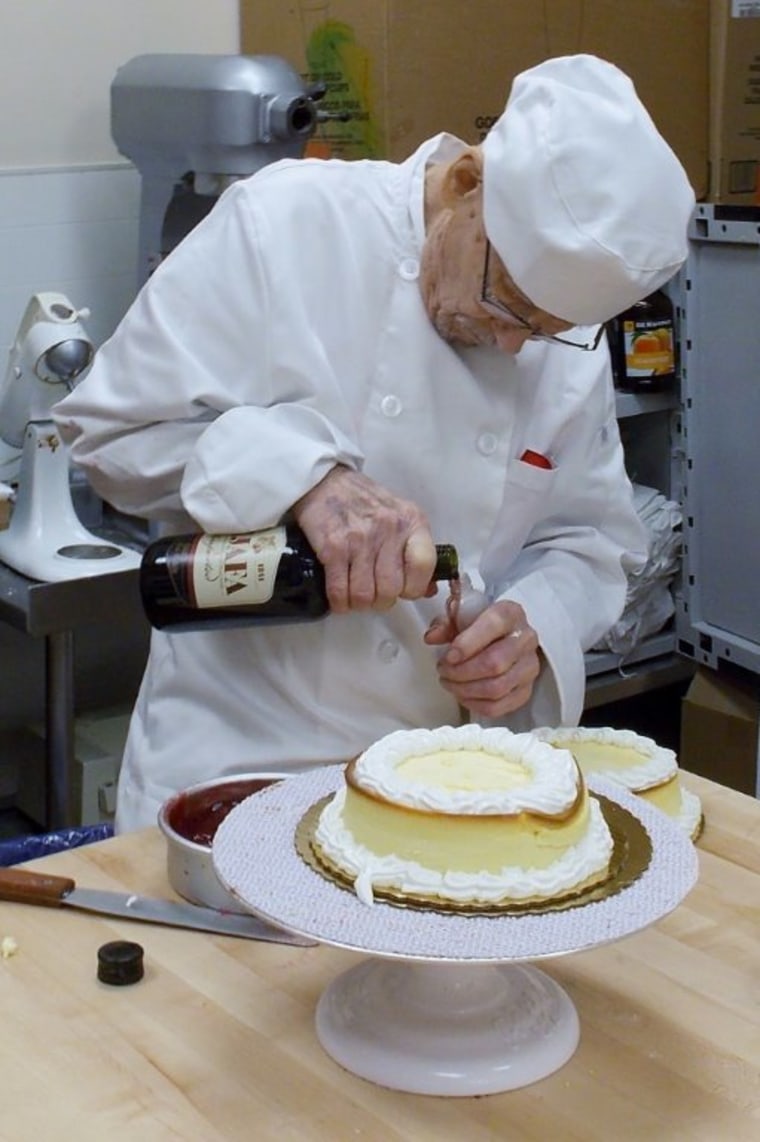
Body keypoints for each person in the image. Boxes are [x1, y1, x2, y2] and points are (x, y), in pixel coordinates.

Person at [54, 54, 695, 832]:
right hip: (236, 765)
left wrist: (530, 628)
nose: (514, 346)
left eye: (544, 332)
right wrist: (304, 480)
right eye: (506, 305)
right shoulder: (283, 224)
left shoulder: (555, 342)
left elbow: (589, 538)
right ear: (465, 183)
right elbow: (108, 434)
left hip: (438, 780)